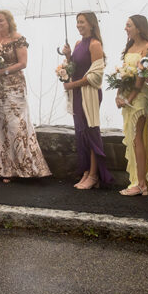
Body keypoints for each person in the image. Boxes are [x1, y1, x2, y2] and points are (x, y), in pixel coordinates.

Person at [0, 10, 51, 183]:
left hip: (14, 87)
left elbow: (23, 63)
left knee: (14, 125)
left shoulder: (18, 38)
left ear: (9, 21)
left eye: (1, 20)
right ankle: (0, 168)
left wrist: (4, 71)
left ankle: (18, 167)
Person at [62, 11, 112, 189]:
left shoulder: (95, 45)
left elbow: (96, 76)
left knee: (91, 131)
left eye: (82, 22)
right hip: (77, 94)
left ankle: (94, 175)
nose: (78, 25)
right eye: (77, 22)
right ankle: (85, 172)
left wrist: (72, 85)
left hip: (89, 94)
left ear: (91, 24)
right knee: (81, 132)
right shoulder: (77, 44)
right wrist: (67, 56)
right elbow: (74, 68)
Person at [116, 15, 148, 197]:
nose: (126, 28)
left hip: (139, 97)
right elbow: (123, 73)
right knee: (131, 136)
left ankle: (141, 184)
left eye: (129, 25)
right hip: (127, 96)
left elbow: (141, 76)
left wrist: (130, 98)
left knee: (137, 137)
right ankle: (136, 180)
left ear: (139, 28)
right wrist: (118, 95)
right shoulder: (130, 47)